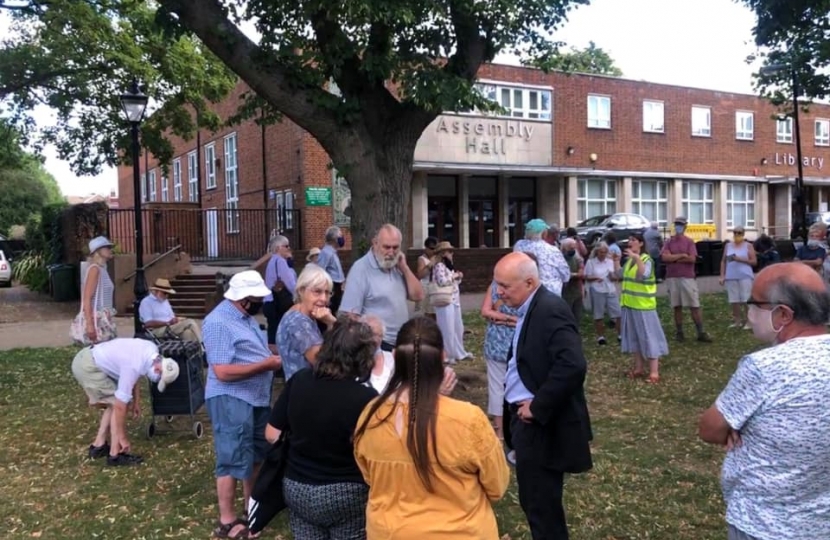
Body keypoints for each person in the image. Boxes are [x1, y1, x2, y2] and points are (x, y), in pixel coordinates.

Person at [698, 263, 830, 540]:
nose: (750, 312)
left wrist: (739, 425)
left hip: (763, 523)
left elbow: (710, 429)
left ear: (783, 314)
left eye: (754, 303)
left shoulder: (764, 367)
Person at [353, 317, 510, 539]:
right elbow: (497, 486)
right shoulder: (468, 420)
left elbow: (370, 476)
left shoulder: (370, 416)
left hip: (389, 531)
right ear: (443, 357)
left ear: (395, 356)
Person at [494, 252, 592, 540]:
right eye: (497, 284)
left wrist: (538, 406)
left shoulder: (551, 309)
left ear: (529, 282)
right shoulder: (529, 307)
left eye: (505, 286)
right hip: (522, 419)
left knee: (542, 506)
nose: (499, 292)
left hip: (540, 425)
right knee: (533, 500)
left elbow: (573, 364)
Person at [266, 319, 379, 540]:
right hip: (347, 491)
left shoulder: (300, 380)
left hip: (297, 485)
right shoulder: (366, 398)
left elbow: (271, 433)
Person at [202, 270, 283, 540]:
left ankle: (252, 510)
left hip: (255, 397)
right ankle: (227, 520)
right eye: (257, 297)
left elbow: (253, 351)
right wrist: (266, 364)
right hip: (230, 397)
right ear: (244, 298)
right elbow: (223, 371)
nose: (261, 301)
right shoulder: (218, 322)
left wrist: (274, 354)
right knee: (231, 457)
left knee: (258, 455)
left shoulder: (246, 318)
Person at [71, 337, 180, 466]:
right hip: (88, 366)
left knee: (118, 401)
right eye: (159, 378)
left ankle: (98, 446)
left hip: (88, 356)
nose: (156, 380)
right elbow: (120, 407)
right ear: (157, 370)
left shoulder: (151, 349)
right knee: (117, 403)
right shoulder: (134, 365)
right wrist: (123, 438)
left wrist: (136, 402)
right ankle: (115, 455)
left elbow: (136, 375)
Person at [339, 224, 424, 350]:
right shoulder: (361, 269)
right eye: (386, 247)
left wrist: (405, 269)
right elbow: (350, 315)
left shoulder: (397, 266)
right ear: (375, 243)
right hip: (376, 344)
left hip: (402, 341)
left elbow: (418, 295)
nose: (391, 252)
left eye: (395, 247)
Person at [616, 233, 668, 384]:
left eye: (633, 240)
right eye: (629, 239)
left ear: (640, 243)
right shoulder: (629, 261)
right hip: (629, 304)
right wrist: (615, 261)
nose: (630, 242)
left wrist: (637, 258)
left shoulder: (646, 260)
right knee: (634, 337)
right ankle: (639, 368)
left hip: (644, 306)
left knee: (648, 337)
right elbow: (618, 274)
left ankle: (654, 372)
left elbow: (643, 274)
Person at [276, 265, 338, 380]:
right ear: (301, 291)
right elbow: (325, 366)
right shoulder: (299, 323)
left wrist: (330, 323)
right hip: (304, 392)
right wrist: (332, 323)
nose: (324, 299)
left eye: (327, 293)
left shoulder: (300, 312)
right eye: (317, 292)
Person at [661, 216, 712, 343]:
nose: (678, 227)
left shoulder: (689, 242)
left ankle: (701, 332)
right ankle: (679, 332)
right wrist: (682, 255)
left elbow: (692, 259)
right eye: (676, 224)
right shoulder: (668, 242)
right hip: (672, 277)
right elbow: (664, 258)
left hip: (687, 277)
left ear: (685, 227)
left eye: (680, 224)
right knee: (676, 306)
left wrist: (674, 258)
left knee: (694, 305)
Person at [480, 279, 519, 442]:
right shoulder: (525, 286)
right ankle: (510, 430)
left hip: (499, 342)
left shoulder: (495, 285)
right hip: (513, 343)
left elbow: (488, 312)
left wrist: (501, 318)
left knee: (497, 388)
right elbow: (486, 312)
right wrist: (511, 320)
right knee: (514, 386)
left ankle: (500, 433)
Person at [430, 241, 472, 363]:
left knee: (457, 327)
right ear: (443, 253)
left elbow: (452, 282)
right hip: (445, 300)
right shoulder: (438, 266)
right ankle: (447, 354)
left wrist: (458, 276)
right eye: (449, 251)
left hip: (454, 299)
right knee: (447, 328)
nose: (451, 254)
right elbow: (442, 281)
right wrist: (454, 276)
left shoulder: (448, 266)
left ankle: (458, 351)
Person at [513, 218, 570, 296]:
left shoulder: (518, 245)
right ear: (544, 233)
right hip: (550, 294)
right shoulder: (552, 250)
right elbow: (566, 275)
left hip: (525, 293)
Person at [77, 236, 117, 345]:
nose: (110, 250)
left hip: (104, 319)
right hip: (97, 320)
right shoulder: (94, 269)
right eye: (106, 247)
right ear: (97, 251)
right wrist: (90, 324)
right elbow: (87, 298)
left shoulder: (102, 269)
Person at [259, 235, 297, 347]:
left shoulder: (272, 261)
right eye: (286, 246)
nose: (289, 248)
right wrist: (300, 296)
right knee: (280, 332)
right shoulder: (280, 261)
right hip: (279, 302)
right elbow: (291, 284)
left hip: (269, 302)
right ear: (278, 248)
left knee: (273, 331)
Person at [138, 278, 202, 342]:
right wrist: (167, 323)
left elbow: (172, 317)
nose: (167, 296)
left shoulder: (165, 301)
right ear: (157, 291)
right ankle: (203, 345)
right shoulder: (146, 302)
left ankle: (192, 351)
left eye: (168, 294)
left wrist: (177, 320)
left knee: (188, 332)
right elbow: (148, 323)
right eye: (165, 293)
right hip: (156, 330)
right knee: (190, 322)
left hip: (169, 327)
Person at [584, 242, 621, 345]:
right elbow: (586, 276)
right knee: (598, 313)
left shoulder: (609, 262)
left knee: (618, 312)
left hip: (610, 288)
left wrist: (613, 277)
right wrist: (596, 278)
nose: (603, 254)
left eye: (605, 252)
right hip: (597, 289)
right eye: (601, 252)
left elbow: (615, 275)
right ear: (597, 252)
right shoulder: (591, 262)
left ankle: (620, 335)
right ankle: (601, 336)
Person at [719, 226, 757, 329]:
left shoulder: (748, 246)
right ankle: (737, 321)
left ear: (743, 234)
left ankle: (749, 321)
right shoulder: (728, 246)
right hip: (731, 276)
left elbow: (754, 261)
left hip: (745, 275)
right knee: (734, 299)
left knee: (746, 299)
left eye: (739, 233)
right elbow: (723, 261)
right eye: (735, 232)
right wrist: (722, 275)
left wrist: (740, 259)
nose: (737, 235)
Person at [316, 226, 346, 313]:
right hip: (331, 286)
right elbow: (320, 271)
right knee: (331, 310)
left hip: (336, 286)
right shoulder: (326, 253)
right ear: (334, 239)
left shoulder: (332, 252)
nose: (342, 238)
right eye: (340, 236)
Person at [560, 237, 584, 322]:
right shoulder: (559, 258)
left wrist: (572, 275)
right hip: (565, 292)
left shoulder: (576, 257)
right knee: (566, 315)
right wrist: (575, 275)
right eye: (571, 248)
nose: (573, 250)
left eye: (574, 248)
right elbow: (562, 276)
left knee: (577, 315)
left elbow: (581, 272)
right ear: (564, 248)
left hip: (576, 291)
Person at [415, 237, 439, 319]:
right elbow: (420, 275)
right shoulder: (422, 259)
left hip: (435, 287)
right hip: (426, 287)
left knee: (436, 313)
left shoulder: (438, 258)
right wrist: (429, 265)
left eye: (436, 249)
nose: (433, 251)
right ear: (426, 248)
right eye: (431, 249)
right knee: (427, 313)